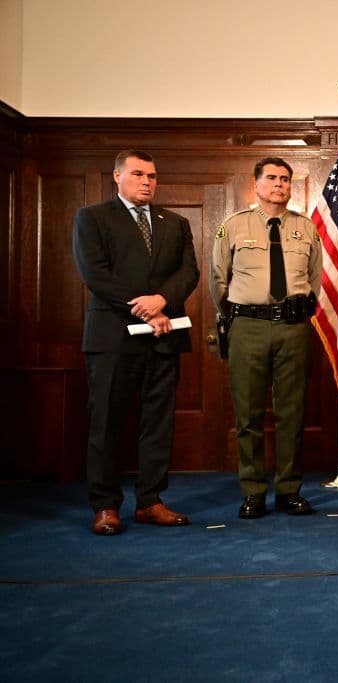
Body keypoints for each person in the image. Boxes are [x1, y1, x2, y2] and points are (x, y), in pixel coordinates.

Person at [72, 149, 199, 535]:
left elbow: (188, 272)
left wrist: (163, 301)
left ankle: (150, 501)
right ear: (117, 176)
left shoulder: (174, 222)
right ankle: (106, 505)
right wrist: (146, 309)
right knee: (107, 423)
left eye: (153, 176)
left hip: (164, 336)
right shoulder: (92, 218)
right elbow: (95, 274)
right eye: (139, 174)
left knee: (157, 424)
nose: (147, 182)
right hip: (113, 337)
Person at [210, 157, 322, 519]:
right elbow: (218, 280)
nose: (279, 184)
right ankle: (253, 490)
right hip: (248, 326)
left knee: (292, 412)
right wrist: (235, 317)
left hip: (293, 327)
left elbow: (315, 278)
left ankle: (289, 489)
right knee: (248, 414)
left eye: (285, 179)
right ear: (255, 184)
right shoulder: (232, 226)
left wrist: (298, 311)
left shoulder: (305, 228)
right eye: (271, 178)